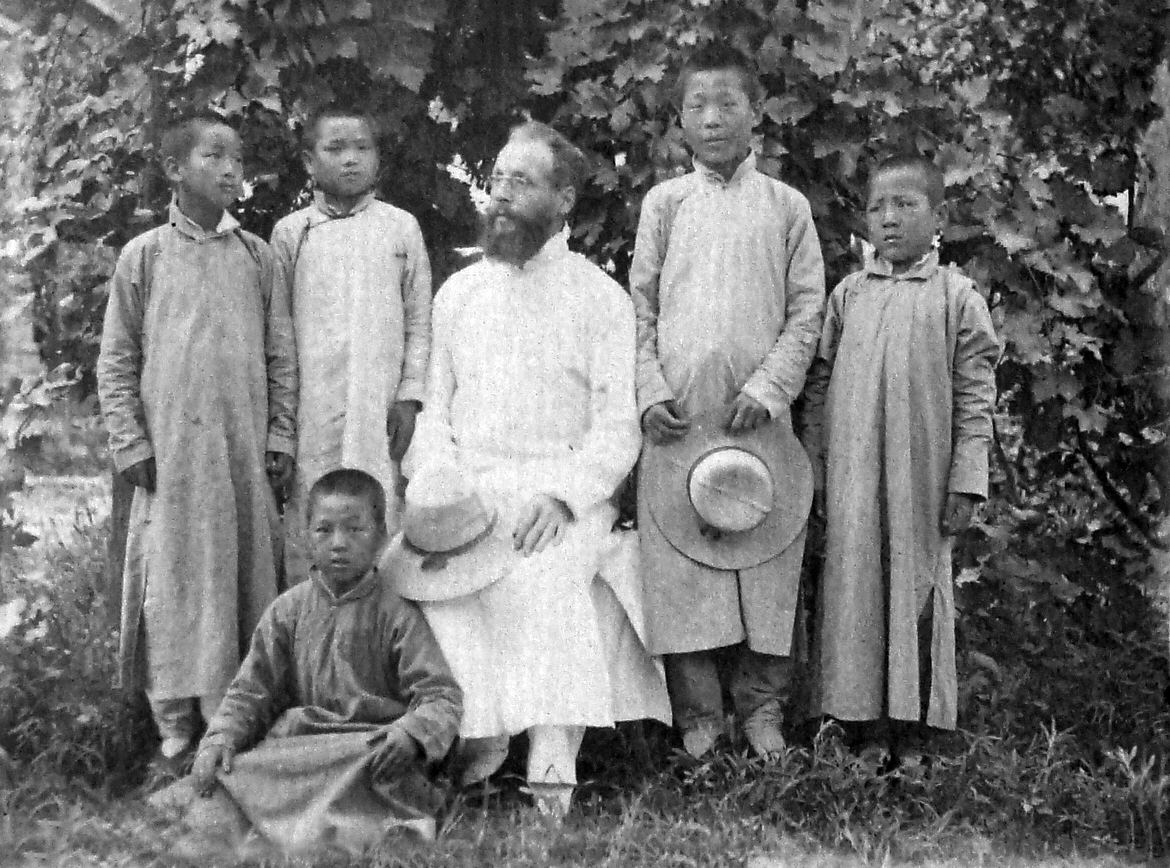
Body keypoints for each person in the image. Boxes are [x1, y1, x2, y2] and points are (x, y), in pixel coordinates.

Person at [403, 120, 671, 818]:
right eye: (497, 180)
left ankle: (552, 764)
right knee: (436, 584)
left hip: (563, 490)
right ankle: (479, 743)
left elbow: (617, 429)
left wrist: (563, 498)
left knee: (543, 575)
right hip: (471, 489)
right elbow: (433, 412)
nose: (500, 195)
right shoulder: (459, 293)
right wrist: (440, 486)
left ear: (564, 200)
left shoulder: (599, 298)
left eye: (521, 182)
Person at [629, 42, 826, 759]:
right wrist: (650, 391)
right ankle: (700, 720)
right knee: (681, 570)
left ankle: (762, 711)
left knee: (766, 564)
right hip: (681, 421)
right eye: (697, 106)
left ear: (756, 113)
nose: (712, 119)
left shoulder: (786, 207)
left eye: (727, 103)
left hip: (758, 420)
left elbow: (807, 312)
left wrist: (769, 388)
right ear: (680, 121)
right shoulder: (665, 205)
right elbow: (639, 308)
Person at [97, 111, 297, 763]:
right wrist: (130, 442)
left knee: (238, 578)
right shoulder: (145, 256)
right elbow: (116, 359)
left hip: (240, 457)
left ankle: (229, 717)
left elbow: (281, 357)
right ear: (174, 169)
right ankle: (173, 723)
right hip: (172, 459)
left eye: (237, 158)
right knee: (174, 581)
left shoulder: (257, 256)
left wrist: (280, 437)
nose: (230, 169)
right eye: (213, 156)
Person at [804, 153, 1000, 741]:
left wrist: (966, 479)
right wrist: (815, 466)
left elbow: (976, 395)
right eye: (876, 207)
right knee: (853, 586)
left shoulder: (957, 297)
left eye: (905, 205)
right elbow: (818, 386)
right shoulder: (848, 296)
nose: (888, 218)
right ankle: (855, 726)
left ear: (939, 217)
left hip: (923, 478)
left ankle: (912, 734)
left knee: (917, 588)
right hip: (853, 477)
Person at [171, 468, 462, 857]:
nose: (338, 544)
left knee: (374, 773)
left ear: (381, 535)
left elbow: (441, 695)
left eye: (355, 529)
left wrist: (411, 733)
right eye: (324, 530)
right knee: (237, 771)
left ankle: (318, 830)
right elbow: (250, 691)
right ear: (305, 535)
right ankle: (307, 828)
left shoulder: (397, 614)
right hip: (300, 747)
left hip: (366, 751)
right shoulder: (287, 611)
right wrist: (221, 737)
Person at [270, 104, 432, 582]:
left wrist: (409, 397)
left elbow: (419, 320)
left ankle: (380, 620)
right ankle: (310, 621)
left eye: (363, 148)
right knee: (312, 520)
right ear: (309, 161)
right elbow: (277, 334)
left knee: (380, 516)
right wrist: (281, 428)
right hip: (311, 411)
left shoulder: (400, 228)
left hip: (378, 409)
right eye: (335, 148)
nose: (350, 159)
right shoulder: (291, 234)